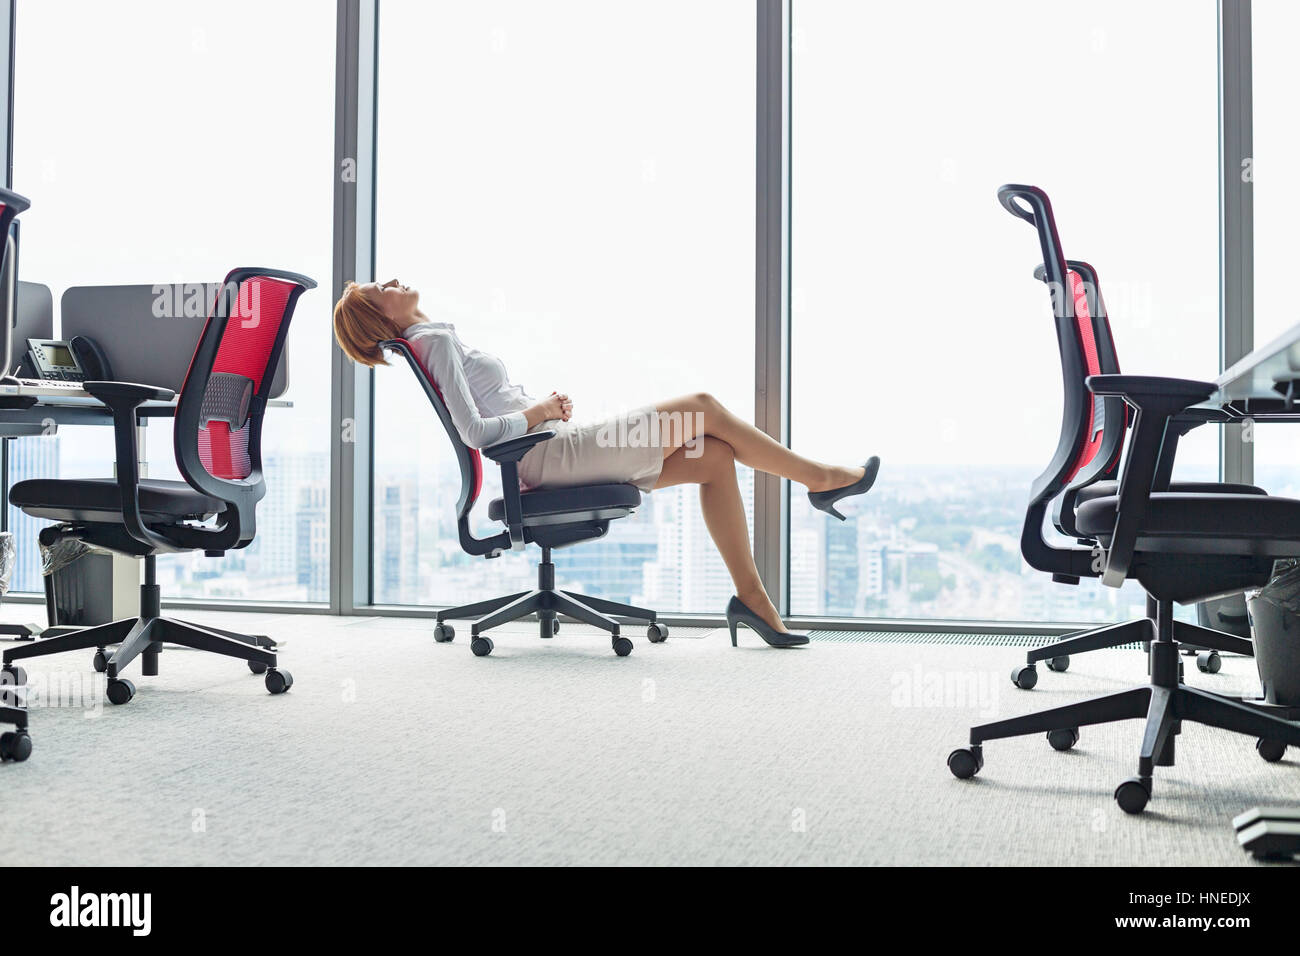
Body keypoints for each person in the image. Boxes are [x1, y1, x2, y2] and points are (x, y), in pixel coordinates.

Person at [333, 279, 879, 647]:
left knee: (713, 458)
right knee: (704, 407)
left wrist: (538, 411)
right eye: (383, 288)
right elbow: (475, 432)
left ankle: (752, 602)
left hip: (550, 449)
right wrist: (540, 412)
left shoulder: (434, 338)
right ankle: (821, 480)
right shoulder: (430, 342)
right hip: (549, 457)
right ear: (379, 315)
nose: (394, 282)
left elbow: (486, 414)